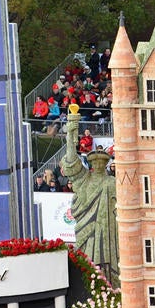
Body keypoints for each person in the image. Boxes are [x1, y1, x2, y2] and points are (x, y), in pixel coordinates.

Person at [62, 113, 118, 283]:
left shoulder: (112, 182)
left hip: (109, 231)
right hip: (88, 231)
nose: (99, 165)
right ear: (92, 164)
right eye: (95, 162)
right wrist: (71, 138)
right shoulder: (84, 178)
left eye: (102, 162)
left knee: (109, 263)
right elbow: (71, 164)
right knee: (88, 262)